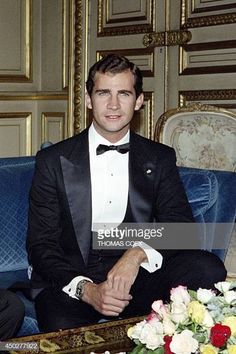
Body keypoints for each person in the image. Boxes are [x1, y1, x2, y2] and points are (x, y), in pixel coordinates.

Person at [26, 54, 226, 333]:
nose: (113, 105)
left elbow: (183, 228)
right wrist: (89, 290)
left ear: (139, 101)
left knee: (207, 267)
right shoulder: (52, 160)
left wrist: (136, 254)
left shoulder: (159, 157)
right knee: (59, 324)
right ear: (88, 99)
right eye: (103, 93)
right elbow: (41, 245)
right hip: (74, 278)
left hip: (138, 279)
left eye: (124, 93)